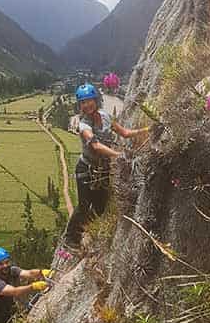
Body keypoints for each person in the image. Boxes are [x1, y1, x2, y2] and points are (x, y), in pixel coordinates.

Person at [63, 83, 147, 250]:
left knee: (101, 207)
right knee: (84, 204)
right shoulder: (84, 125)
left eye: (89, 101)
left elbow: (124, 133)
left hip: (102, 169)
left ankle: (88, 230)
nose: (87, 105)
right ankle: (71, 238)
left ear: (96, 100)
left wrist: (146, 130)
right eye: (83, 102)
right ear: (80, 106)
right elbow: (95, 146)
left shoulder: (106, 116)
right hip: (86, 169)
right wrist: (119, 155)